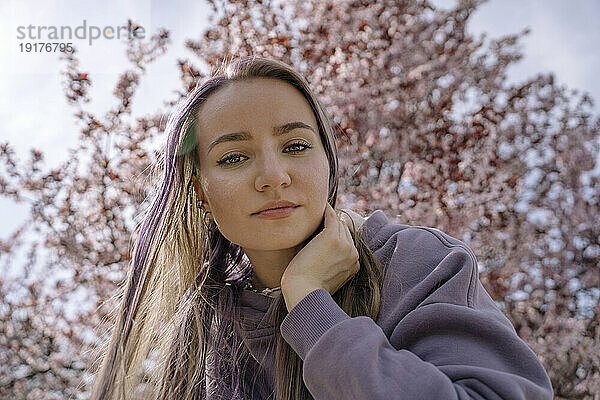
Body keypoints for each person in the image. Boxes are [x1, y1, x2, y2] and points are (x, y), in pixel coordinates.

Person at [88, 56, 554, 400]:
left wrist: (312, 307)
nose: (273, 175)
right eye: (233, 157)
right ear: (203, 195)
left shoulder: (417, 261)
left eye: (295, 145)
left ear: (327, 165)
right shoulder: (204, 328)